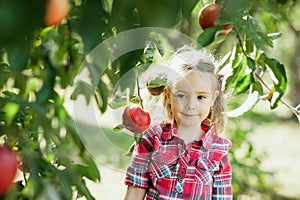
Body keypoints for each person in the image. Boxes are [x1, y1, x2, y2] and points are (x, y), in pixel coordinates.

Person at [124, 46, 232, 200]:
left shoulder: (219, 150)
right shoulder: (152, 138)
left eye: (201, 97)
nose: (191, 105)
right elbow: (135, 192)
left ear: (213, 98)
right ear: (168, 95)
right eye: (182, 95)